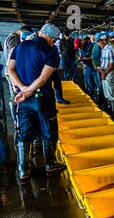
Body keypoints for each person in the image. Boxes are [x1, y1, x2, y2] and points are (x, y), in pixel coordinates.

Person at [7, 23, 67, 182]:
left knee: (24, 133)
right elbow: (42, 78)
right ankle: (50, 164)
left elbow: (10, 70)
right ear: (52, 39)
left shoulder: (20, 46)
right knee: (48, 130)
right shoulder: (51, 51)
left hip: (23, 99)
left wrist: (23, 89)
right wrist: (29, 90)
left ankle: (23, 170)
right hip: (42, 98)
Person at [3, 26, 33, 128]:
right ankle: (16, 121)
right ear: (23, 32)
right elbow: (15, 54)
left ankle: (19, 119)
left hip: (13, 69)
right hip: (12, 71)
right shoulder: (13, 38)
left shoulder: (12, 37)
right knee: (15, 95)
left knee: (17, 93)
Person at [97, 32, 114, 115]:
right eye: (98, 41)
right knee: (106, 92)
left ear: (104, 40)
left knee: (111, 92)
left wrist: (105, 73)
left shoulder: (110, 48)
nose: (98, 43)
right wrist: (101, 69)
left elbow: (112, 65)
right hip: (104, 72)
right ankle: (109, 109)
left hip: (109, 72)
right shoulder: (103, 49)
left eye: (99, 41)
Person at [91, 32, 103, 104]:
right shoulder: (96, 47)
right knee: (100, 83)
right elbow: (95, 58)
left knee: (100, 83)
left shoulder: (99, 46)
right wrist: (99, 68)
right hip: (100, 69)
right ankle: (100, 99)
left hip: (101, 68)